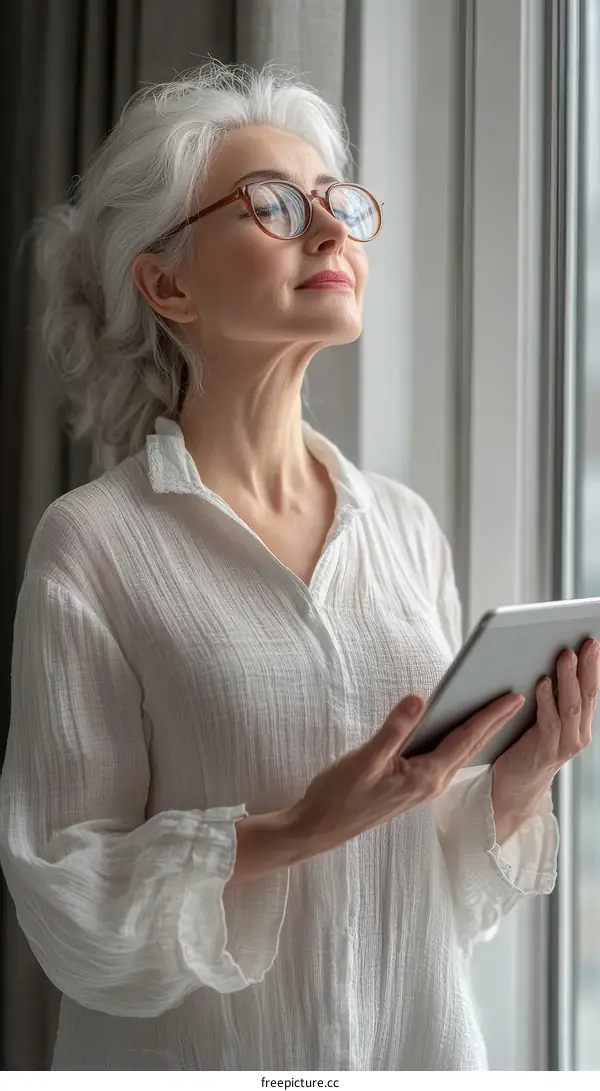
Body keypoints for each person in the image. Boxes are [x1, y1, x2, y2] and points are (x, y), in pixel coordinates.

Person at [0, 61, 565, 1072]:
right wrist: (294, 827)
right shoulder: (93, 544)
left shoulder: (405, 528)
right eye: (272, 205)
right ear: (167, 281)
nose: (330, 229)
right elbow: (68, 897)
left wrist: (514, 786)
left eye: (338, 201)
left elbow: (435, 896)